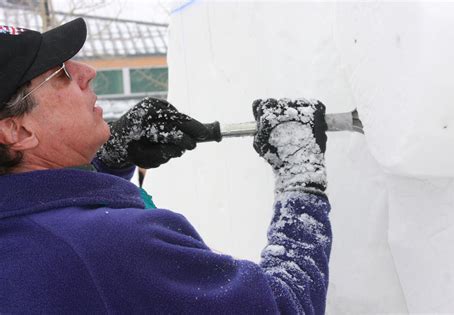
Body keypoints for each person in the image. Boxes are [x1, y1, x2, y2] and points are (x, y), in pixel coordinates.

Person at [0, 18, 332, 314]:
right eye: (62, 73)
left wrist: (109, 160)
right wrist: (301, 179)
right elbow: (283, 306)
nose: (86, 72)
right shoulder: (116, 246)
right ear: (18, 130)